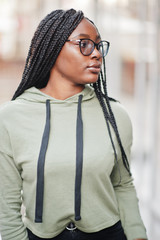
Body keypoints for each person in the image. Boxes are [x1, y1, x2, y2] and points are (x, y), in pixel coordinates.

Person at [0, 8, 147, 240]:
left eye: (98, 45)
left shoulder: (114, 114)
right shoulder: (12, 117)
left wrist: (138, 235)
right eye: (85, 44)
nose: (97, 54)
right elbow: (6, 206)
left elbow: (123, 185)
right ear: (53, 48)